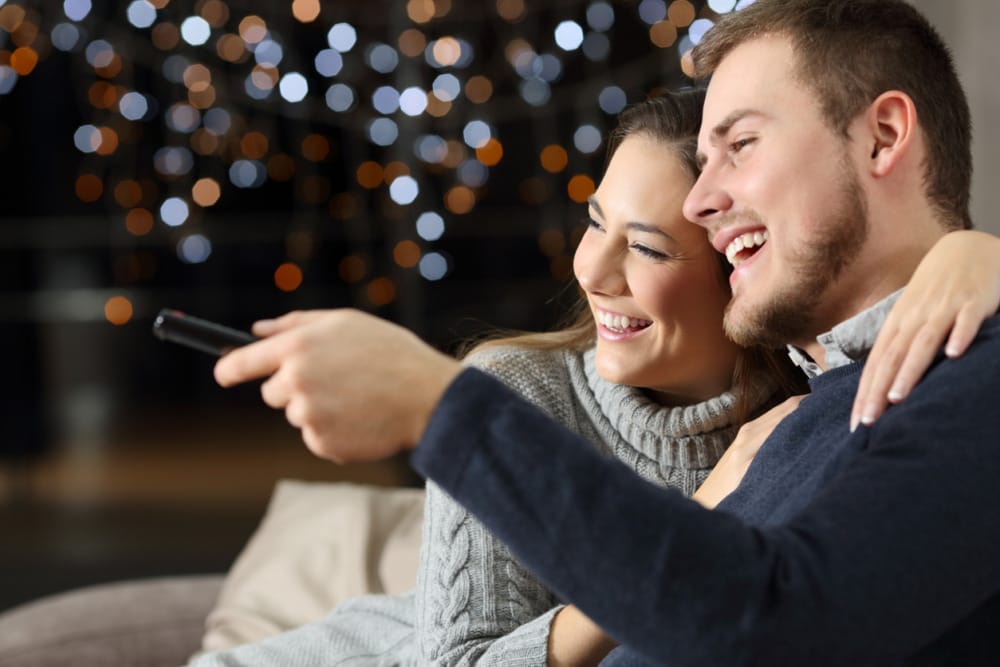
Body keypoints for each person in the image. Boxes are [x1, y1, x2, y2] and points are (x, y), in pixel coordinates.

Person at [213, 1, 1000, 665]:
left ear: (885, 136)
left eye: (743, 144)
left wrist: (437, 406)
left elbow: (774, 621)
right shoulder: (832, 384)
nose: (702, 200)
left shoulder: (962, 380)